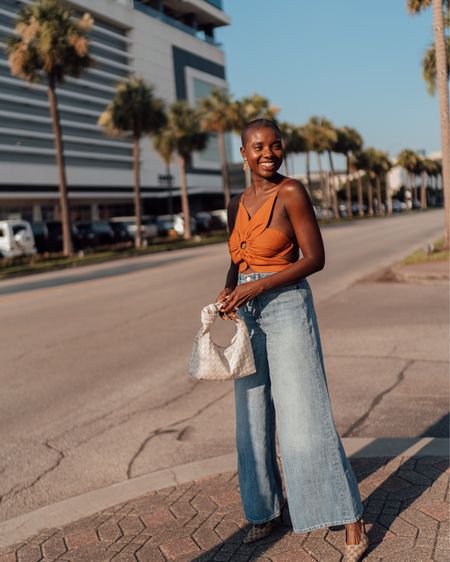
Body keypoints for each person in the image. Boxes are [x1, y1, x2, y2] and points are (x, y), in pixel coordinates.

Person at [216, 119, 369, 561]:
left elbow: (315, 258)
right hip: (248, 310)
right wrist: (230, 290)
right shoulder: (235, 202)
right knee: (251, 418)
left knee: (304, 414)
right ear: (242, 153)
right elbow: (236, 259)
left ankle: (349, 516)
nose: (268, 153)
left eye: (275, 145)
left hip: (285, 307)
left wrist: (256, 287)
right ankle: (264, 510)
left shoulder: (291, 193)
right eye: (258, 146)